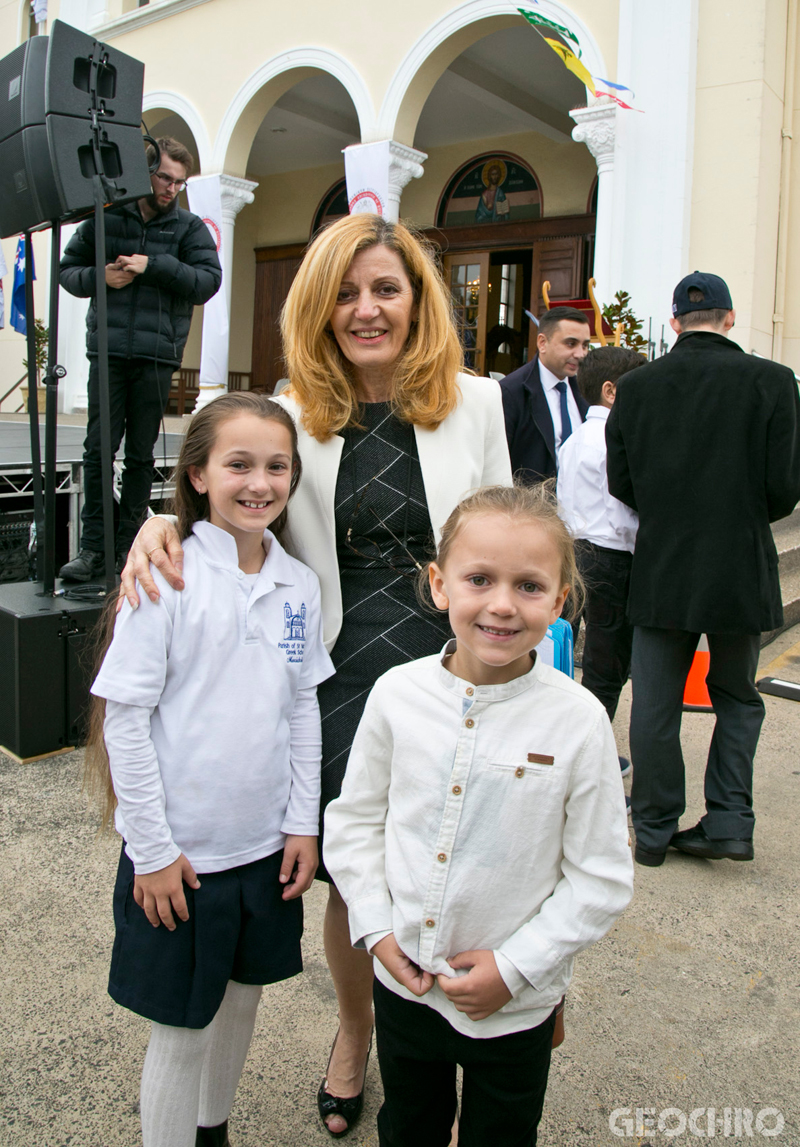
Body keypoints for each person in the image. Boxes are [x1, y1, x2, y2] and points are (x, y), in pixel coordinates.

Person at [119, 213, 513, 1137]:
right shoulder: (296, 410)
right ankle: (355, 1033)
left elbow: (503, 525)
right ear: (317, 305)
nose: (366, 308)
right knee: (355, 876)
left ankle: (450, 1047)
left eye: (386, 287)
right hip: (338, 674)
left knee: (461, 864)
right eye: (344, 290)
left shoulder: (480, 400)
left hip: (454, 664)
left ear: (418, 298)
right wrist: (159, 523)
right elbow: (228, 491)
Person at [324, 484, 633, 1147]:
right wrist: (378, 932)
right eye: (478, 578)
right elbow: (353, 826)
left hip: (514, 1004)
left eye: (527, 585)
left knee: (502, 1131)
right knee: (409, 1125)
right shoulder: (396, 696)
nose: (500, 603)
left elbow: (601, 876)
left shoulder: (578, 720)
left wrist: (517, 967)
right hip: (403, 983)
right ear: (439, 584)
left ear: (558, 600)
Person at [86, 392, 334, 1147]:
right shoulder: (166, 576)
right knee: (183, 1028)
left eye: (276, 466)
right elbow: (125, 719)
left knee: (241, 1002)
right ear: (197, 474)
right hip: (183, 858)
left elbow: (301, 708)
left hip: (263, 848)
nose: (259, 482)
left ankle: (211, 1130)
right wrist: (152, 850)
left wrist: (301, 821)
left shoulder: (299, 584)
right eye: (238, 464)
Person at [605, 272, 800, 867]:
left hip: (665, 560)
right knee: (738, 695)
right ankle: (730, 823)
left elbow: (622, 483)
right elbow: (785, 489)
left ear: (674, 324)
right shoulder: (773, 380)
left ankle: (656, 828)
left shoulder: (637, 387)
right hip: (740, 559)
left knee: (657, 701)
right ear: (730, 318)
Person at [59, 136, 222, 580]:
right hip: (108, 352)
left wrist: (154, 265)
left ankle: (132, 548)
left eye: (179, 182)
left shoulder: (189, 229)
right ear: (145, 171)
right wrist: (101, 277)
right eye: (165, 177)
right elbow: (67, 271)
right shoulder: (105, 218)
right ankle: (93, 549)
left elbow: (208, 281)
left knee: (141, 457)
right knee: (97, 452)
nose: (171, 188)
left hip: (156, 356)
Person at [557, 346, 643, 740]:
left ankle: (565, 740)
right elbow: (622, 514)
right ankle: (587, 749)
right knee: (607, 668)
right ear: (611, 391)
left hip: (574, 552)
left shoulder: (576, 438)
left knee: (570, 656)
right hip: (610, 559)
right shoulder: (613, 439)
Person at [499, 306, 591, 485]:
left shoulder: (585, 390)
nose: (580, 354)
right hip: (533, 506)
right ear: (542, 343)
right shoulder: (511, 391)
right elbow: (500, 462)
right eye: (571, 344)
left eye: (585, 345)